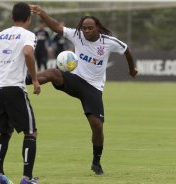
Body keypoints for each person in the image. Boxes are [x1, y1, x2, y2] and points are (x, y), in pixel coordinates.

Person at [29, 5, 138, 176]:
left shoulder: (108, 42)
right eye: (84, 28)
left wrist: (132, 69)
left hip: (93, 88)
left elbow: (127, 51)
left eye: (90, 28)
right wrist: (42, 12)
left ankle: (96, 162)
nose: (86, 31)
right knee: (53, 73)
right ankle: (22, 80)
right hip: (76, 81)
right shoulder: (77, 35)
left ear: (97, 28)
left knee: (97, 126)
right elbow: (57, 27)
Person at [0, 2, 41, 184]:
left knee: (5, 132)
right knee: (31, 132)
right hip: (15, 88)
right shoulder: (28, 34)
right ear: (29, 19)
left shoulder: (0, 35)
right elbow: (29, 53)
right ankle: (27, 178)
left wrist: (0, 72)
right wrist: (36, 79)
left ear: (11, 18)